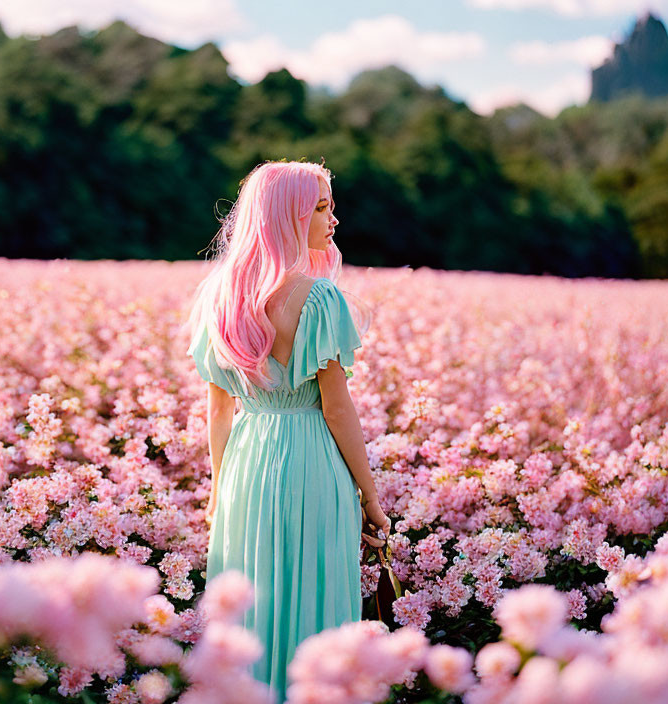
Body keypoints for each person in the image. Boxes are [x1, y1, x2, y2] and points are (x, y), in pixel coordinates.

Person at [185, 160, 391, 702]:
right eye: (321, 207)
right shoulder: (319, 299)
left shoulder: (219, 298)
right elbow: (336, 408)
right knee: (314, 598)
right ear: (288, 217)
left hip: (246, 467)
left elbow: (219, 410)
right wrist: (370, 497)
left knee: (251, 596)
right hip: (310, 462)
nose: (334, 219)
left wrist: (217, 489)